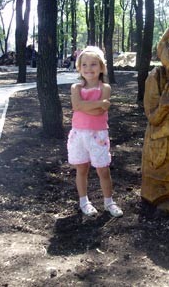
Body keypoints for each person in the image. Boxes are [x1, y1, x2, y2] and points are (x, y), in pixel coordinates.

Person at [67, 46, 123, 217]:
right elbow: (77, 105)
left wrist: (84, 106)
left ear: (101, 67)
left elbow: (97, 112)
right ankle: (84, 201)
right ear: (79, 67)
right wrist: (99, 103)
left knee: (103, 170)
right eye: (84, 65)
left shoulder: (105, 88)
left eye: (93, 64)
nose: (88, 68)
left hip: (98, 136)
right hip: (78, 135)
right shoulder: (75, 88)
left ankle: (109, 202)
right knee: (82, 169)